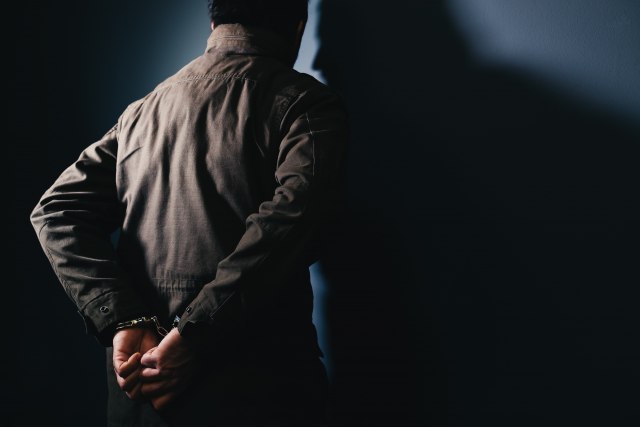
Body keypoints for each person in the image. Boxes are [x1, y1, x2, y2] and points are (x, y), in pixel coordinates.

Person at [30, 0, 348, 425]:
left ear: (213, 20)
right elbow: (292, 222)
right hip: (257, 396)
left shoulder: (142, 111)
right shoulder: (305, 104)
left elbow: (55, 210)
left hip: (140, 395)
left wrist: (122, 319)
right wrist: (192, 336)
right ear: (298, 26)